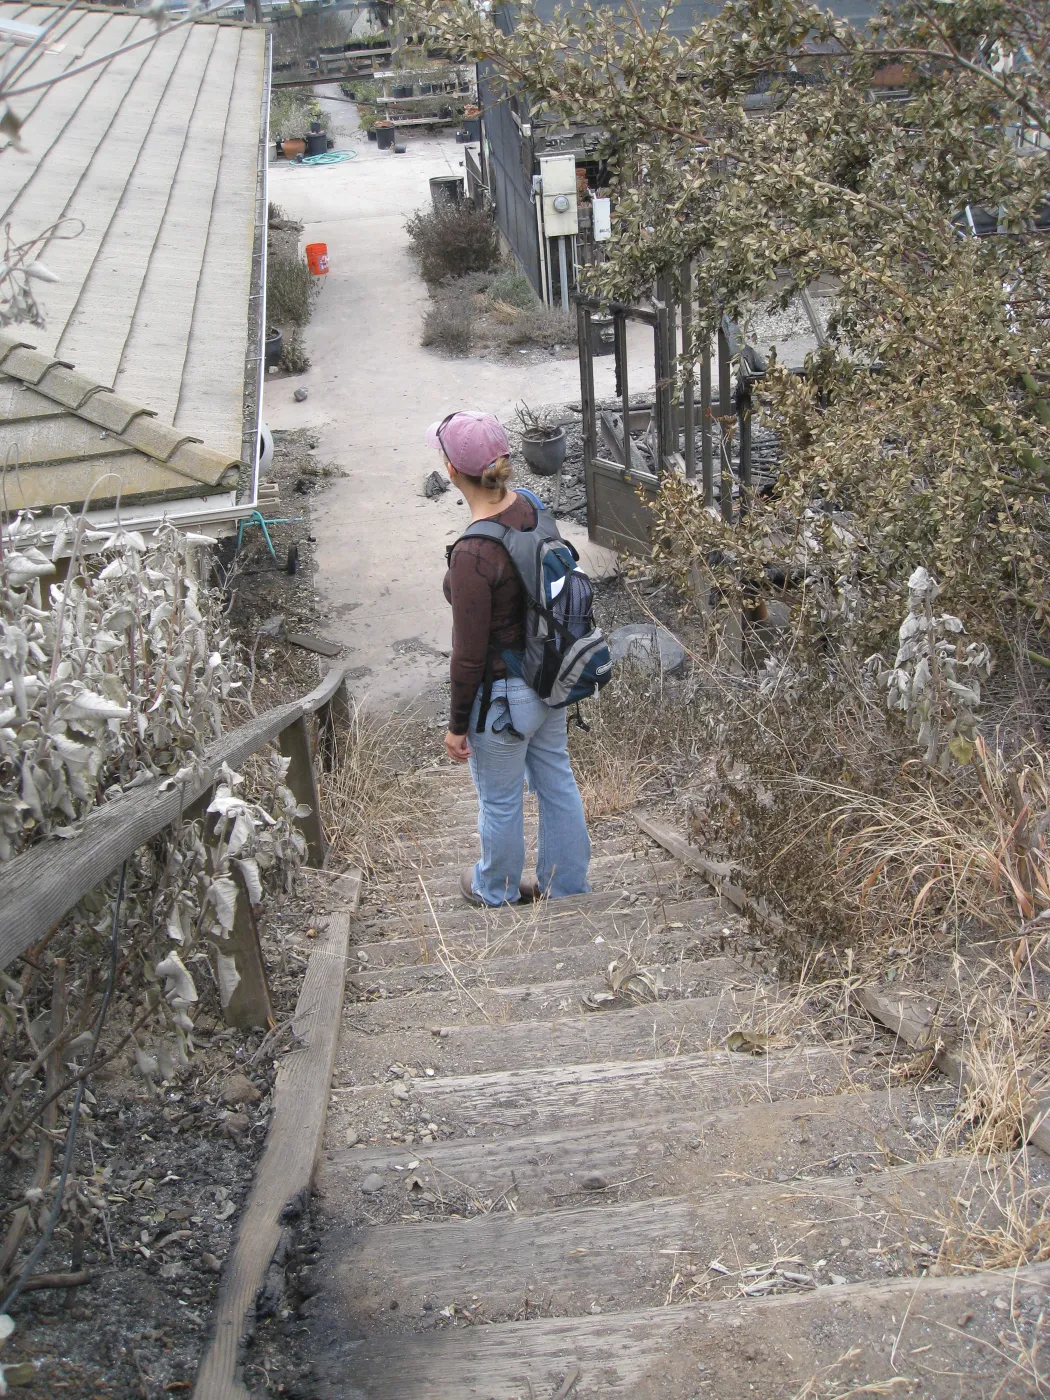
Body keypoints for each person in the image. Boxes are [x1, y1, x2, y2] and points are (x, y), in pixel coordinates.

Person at [427, 410, 592, 907]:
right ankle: (566, 887)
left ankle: (494, 888)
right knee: (557, 782)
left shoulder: (473, 553)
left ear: (453, 472)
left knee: (499, 801)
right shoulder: (536, 509)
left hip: (503, 698)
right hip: (551, 678)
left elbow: (469, 658)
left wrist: (457, 726)